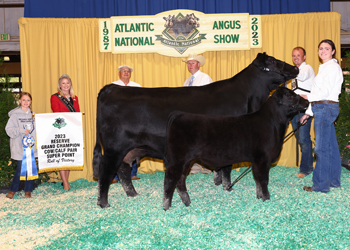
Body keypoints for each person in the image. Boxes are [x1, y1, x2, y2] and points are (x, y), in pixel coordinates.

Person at [300, 39, 343, 193]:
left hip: (325, 107)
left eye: (326, 48)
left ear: (333, 52)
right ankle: (333, 181)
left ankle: (320, 185)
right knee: (330, 146)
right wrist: (308, 112)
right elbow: (318, 94)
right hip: (322, 106)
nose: (323, 51)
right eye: (321, 48)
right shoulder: (325, 68)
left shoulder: (332, 67)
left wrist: (306, 97)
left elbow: (323, 93)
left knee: (321, 148)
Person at [183, 53, 213, 174]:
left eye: (193, 63)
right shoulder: (187, 81)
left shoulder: (205, 78)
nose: (190, 65)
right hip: (190, 115)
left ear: (198, 64)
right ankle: (195, 165)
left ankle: (207, 166)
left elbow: (210, 96)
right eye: (189, 63)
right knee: (193, 140)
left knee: (205, 140)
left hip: (202, 114)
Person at [110, 65, 141, 183]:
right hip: (118, 121)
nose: (126, 73)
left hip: (134, 120)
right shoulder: (113, 86)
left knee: (133, 146)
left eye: (128, 71)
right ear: (119, 73)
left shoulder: (137, 86)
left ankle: (132, 173)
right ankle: (115, 176)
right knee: (117, 148)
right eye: (123, 71)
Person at [50, 74, 80, 191]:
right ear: (60, 85)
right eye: (63, 83)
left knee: (69, 154)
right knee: (62, 155)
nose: (66, 85)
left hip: (72, 129)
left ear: (70, 85)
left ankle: (66, 181)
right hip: (61, 128)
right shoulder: (55, 97)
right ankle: (65, 183)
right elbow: (56, 113)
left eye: (68, 83)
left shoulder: (75, 97)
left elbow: (77, 113)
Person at [5, 92, 38, 199]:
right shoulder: (14, 115)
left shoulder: (33, 115)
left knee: (30, 169)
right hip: (19, 147)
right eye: (23, 100)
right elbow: (9, 130)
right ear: (19, 101)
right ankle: (12, 190)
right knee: (20, 169)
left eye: (28, 100)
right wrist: (22, 131)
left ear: (31, 102)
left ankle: (28, 191)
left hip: (31, 147)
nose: (26, 102)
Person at [290, 47, 315, 178]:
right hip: (294, 110)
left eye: (298, 55)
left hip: (304, 109)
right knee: (300, 139)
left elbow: (303, 76)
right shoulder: (295, 74)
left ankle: (306, 169)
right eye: (294, 55)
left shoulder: (307, 68)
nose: (296, 58)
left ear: (304, 57)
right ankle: (305, 167)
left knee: (304, 140)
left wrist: (288, 70)